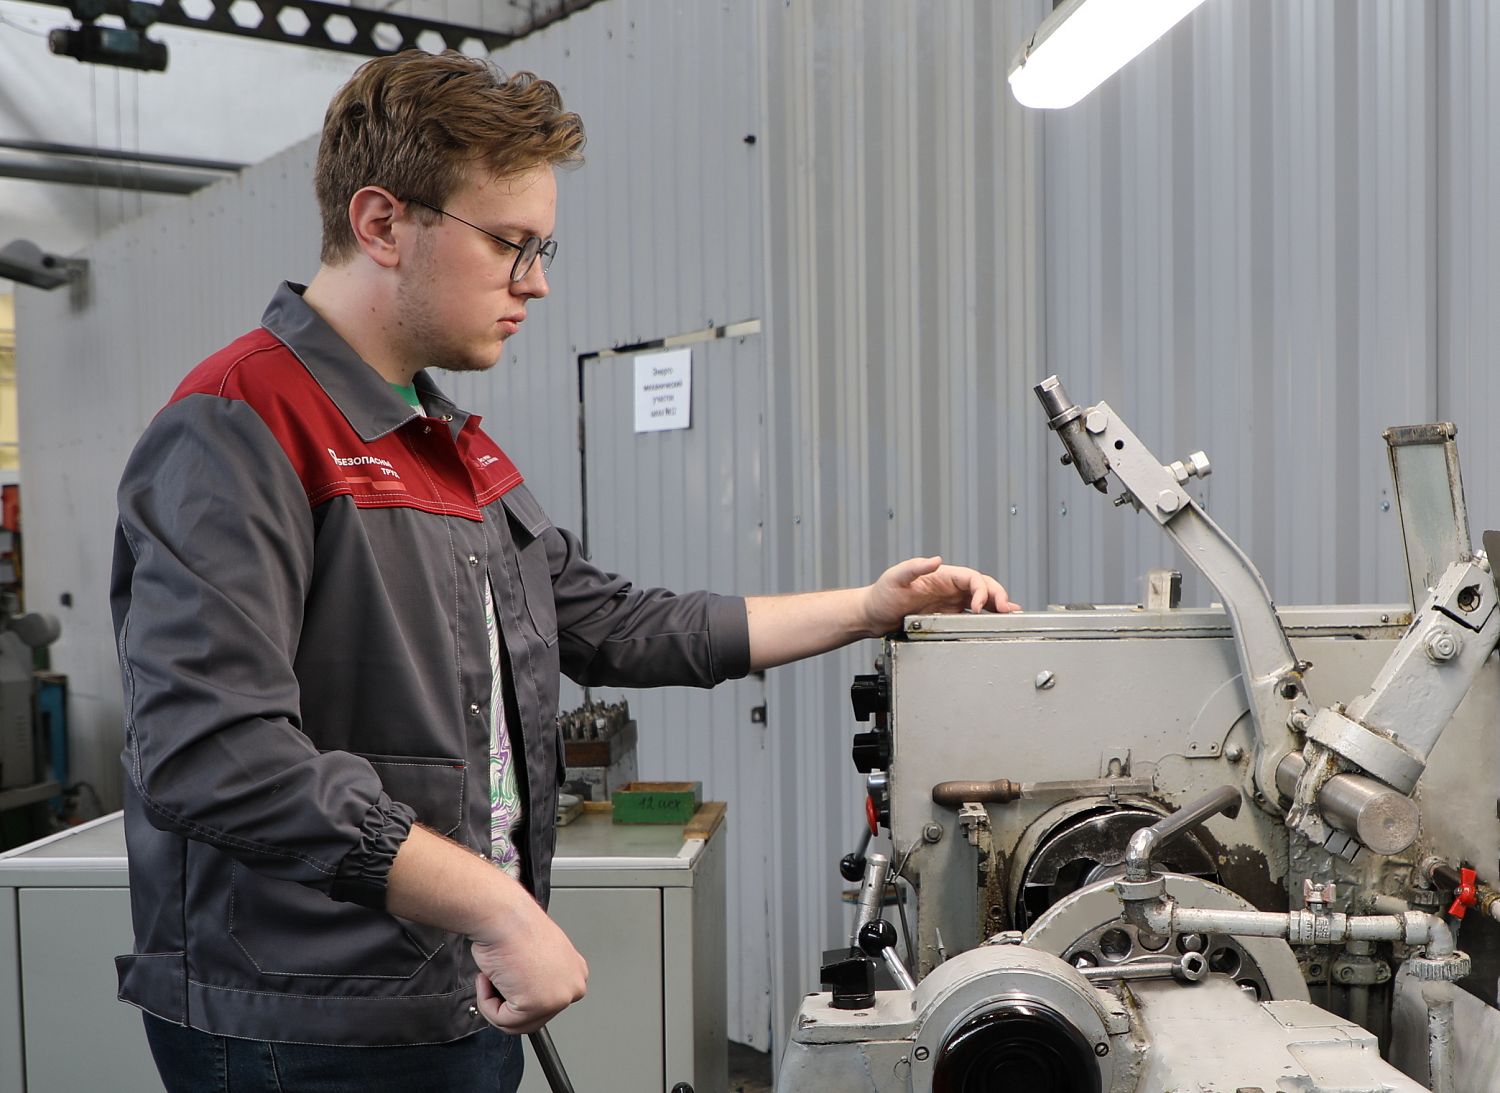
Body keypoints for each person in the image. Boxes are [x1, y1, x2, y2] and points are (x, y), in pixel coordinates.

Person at [110, 49, 1021, 1093]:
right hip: (306, 1026)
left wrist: (868, 606)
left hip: (453, 986)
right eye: (510, 244)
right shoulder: (238, 427)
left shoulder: (449, 446)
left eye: (542, 248)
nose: (536, 281)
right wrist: (494, 902)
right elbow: (212, 750)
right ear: (382, 223)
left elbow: (613, 623)